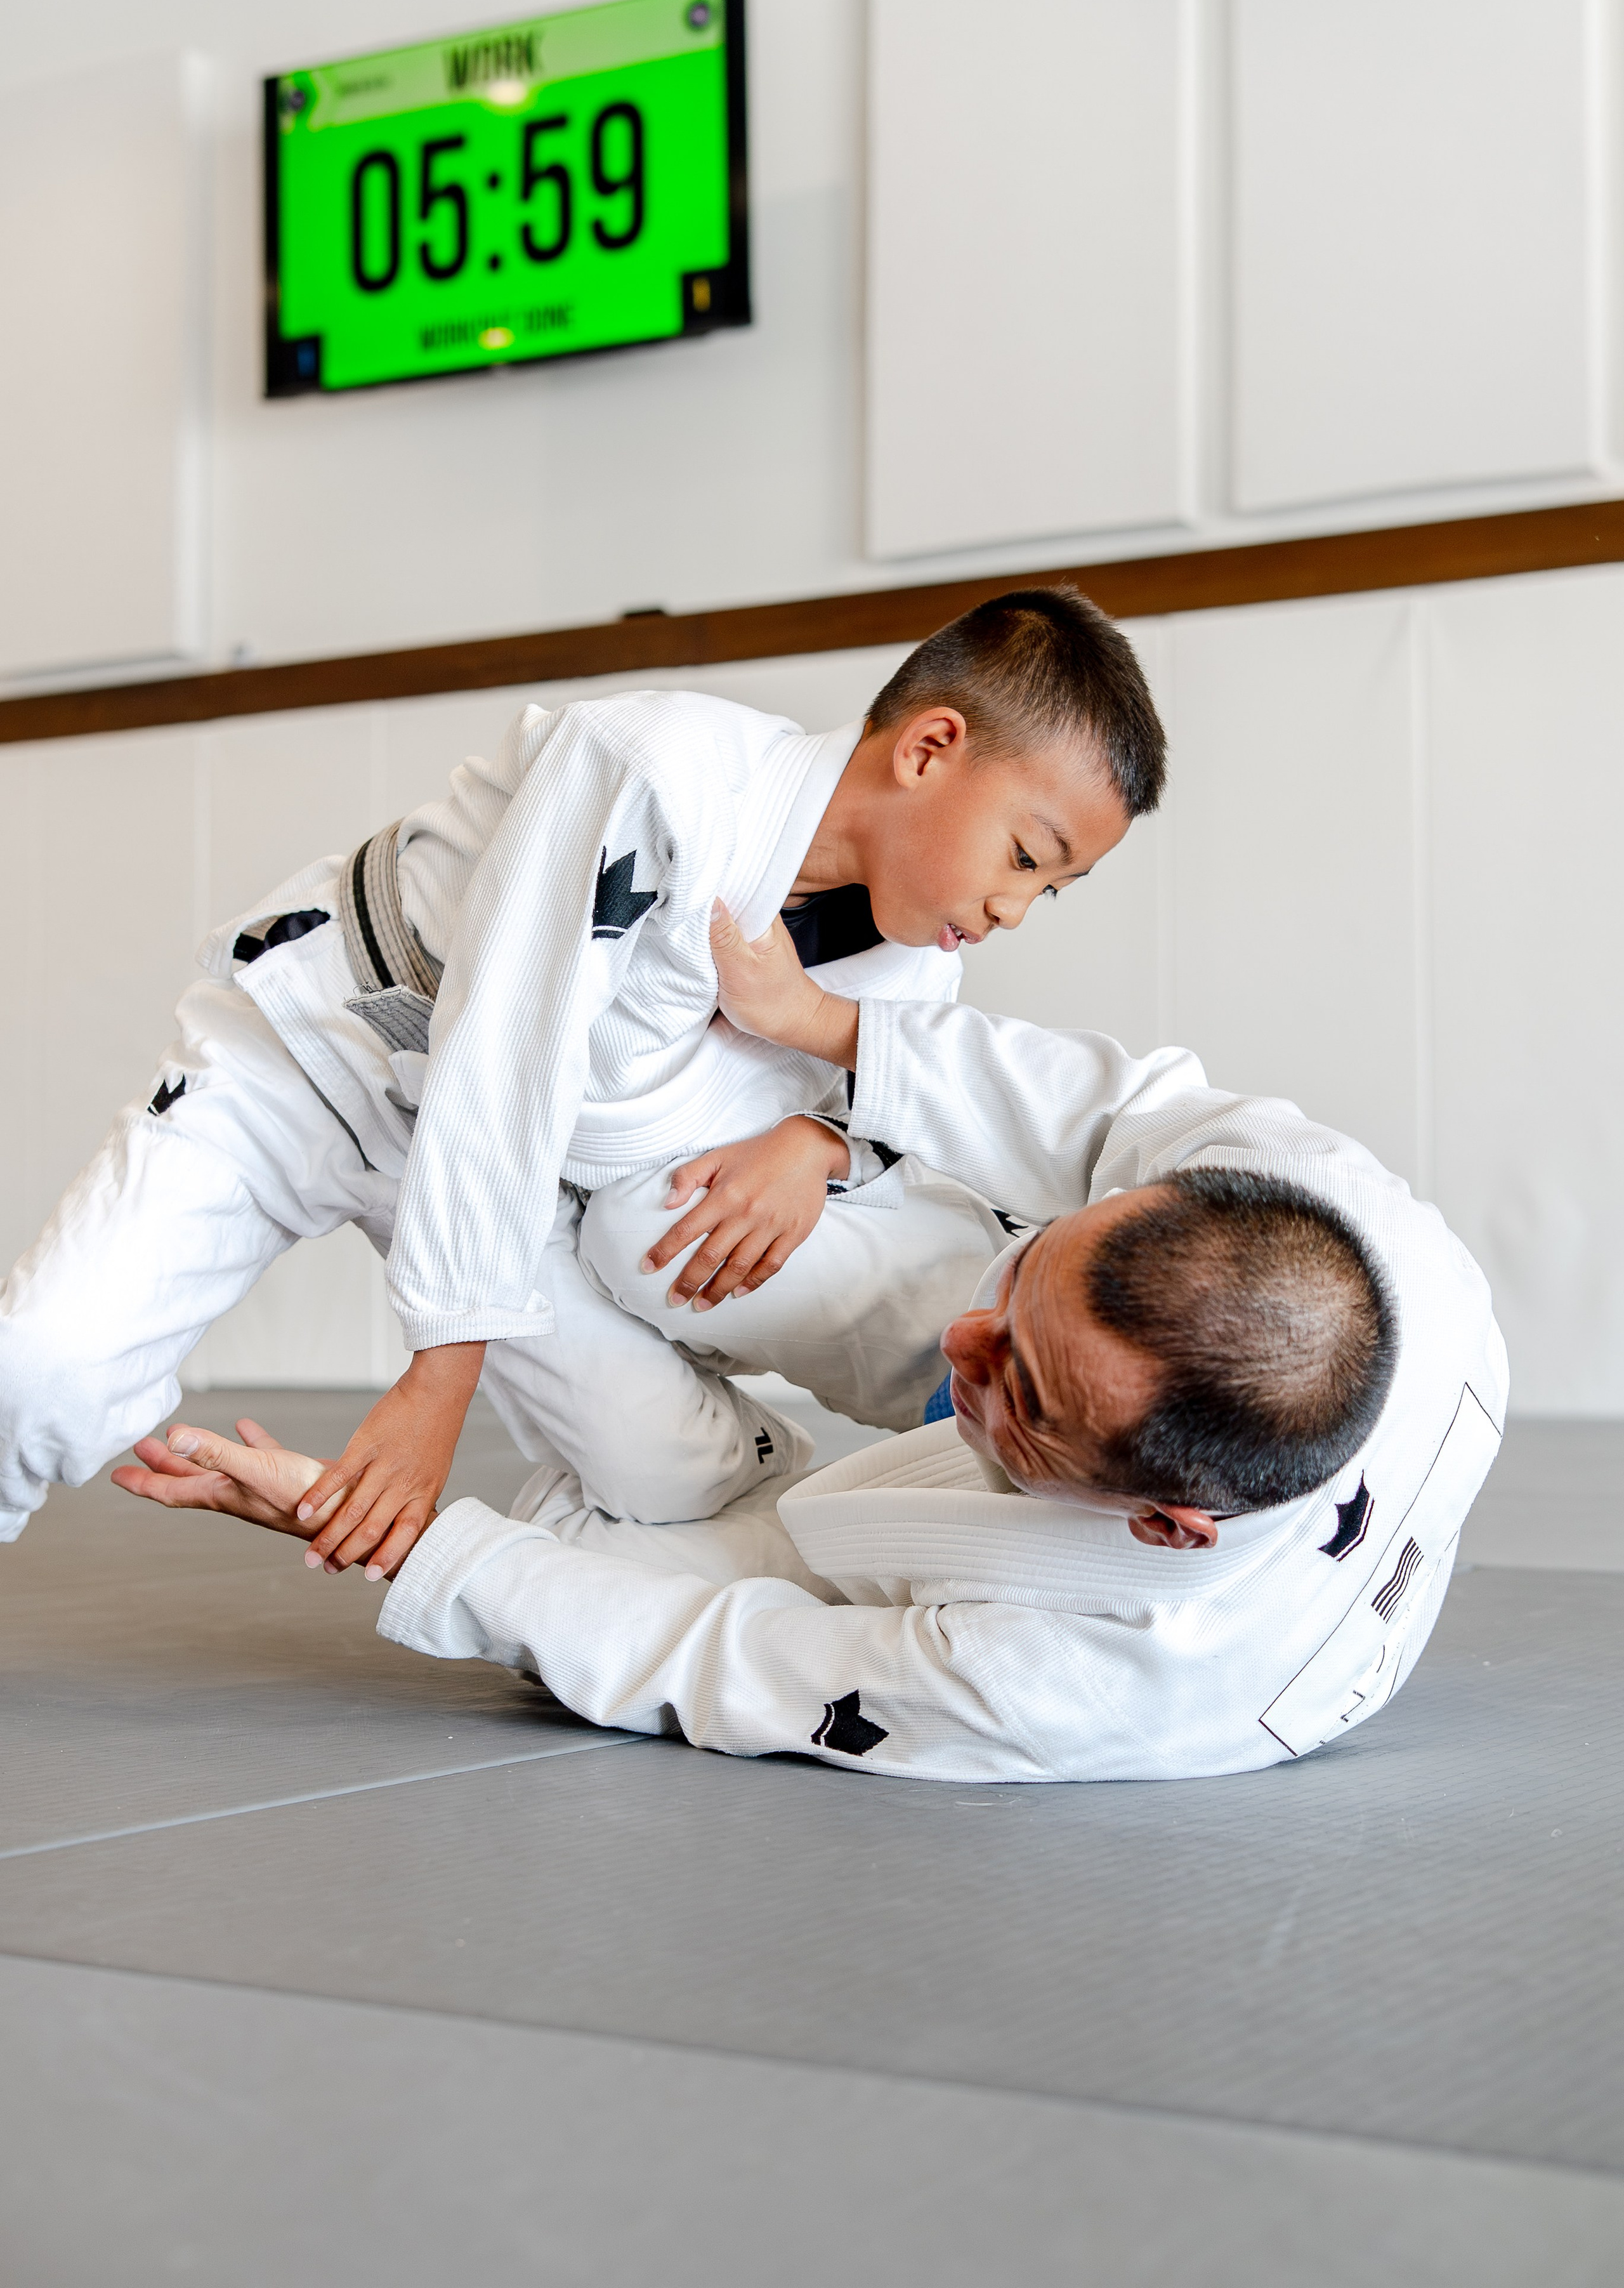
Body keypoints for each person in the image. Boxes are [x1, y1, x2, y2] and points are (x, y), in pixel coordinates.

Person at [113, 921, 1507, 1782]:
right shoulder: (1333, 1209)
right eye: (1027, 1281)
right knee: (655, 1237)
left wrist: (392, 1537)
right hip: (1092, 1431)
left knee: (579, 1582)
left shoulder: (1074, 1684)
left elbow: (712, 1656)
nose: (964, 1341)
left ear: (1161, 1522)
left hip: (1062, 1586)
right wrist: (822, 1048)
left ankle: (411, 1170)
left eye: (1018, 1388)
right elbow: (1092, 1110)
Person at [0, 587, 1164, 1567]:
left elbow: (892, 1105)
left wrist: (819, 1144)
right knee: (43, 1374)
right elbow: (504, 1049)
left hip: (534, 1195)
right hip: (319, 1056)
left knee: (669, 1472)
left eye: (1051, 890)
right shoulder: (660, 768)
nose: (1017, 907)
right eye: (1026, 856)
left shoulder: (909, 965)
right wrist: (437, 1384)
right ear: (929, 748)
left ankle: (644, 1554)